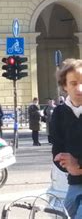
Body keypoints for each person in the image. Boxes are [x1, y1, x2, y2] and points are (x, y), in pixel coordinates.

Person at [52, 58, 82, 219]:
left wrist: (79, 165)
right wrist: (68, 166)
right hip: (75, 182)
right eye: (74, 83)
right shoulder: (59, 113)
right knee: (65, 215)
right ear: (65, 86)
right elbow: (57, 150)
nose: (80, 88)